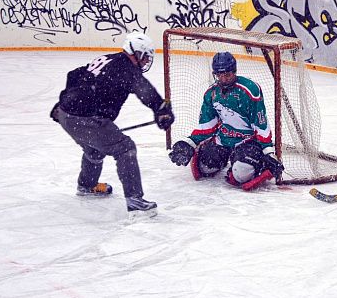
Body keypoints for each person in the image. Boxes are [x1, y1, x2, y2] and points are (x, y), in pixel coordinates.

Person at [50, 31, 174, 219]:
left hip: (66, 116)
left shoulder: (108, 58)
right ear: (137, 53)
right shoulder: (126, 68)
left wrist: (65, 103)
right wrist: (162, 109)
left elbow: (74, 75)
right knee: (125, 148)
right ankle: (135, 201)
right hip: (86, 118)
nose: (148, 61)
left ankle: (87, 185)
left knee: (95, 148)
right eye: (146, 56)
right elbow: (144, 89)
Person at [168, 52, 284, 190]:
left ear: (234, 72)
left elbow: (261, 124)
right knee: (205, 168)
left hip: (247, 142)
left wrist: (268, 152)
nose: (223, 79)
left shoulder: (250, 89)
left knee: (242, 174)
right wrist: (190, 142)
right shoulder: (211, 93)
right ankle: (224, 156)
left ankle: (255, 162)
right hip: (224, 139)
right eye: (219, 75)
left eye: (227, 75)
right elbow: (207, 125)